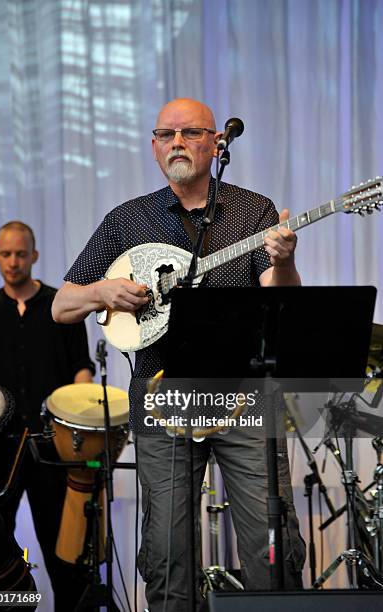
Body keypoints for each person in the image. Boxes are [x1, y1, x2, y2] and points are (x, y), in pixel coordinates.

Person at [52, 98, 306, 611]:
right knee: (166, 552)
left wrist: (283, 261)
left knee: (270, 546)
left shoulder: (251, 210)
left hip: (242, 395)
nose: (177, 143)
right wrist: (104, 292)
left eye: (190, 133)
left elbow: (280, 299)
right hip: (162, 395)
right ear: (153, 147)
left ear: (216, 144)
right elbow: (61, 305)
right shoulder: (128, 220)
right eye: (166, 134)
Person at [0, 221, 95, 611]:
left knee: (64, 551)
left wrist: (81, 419)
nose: (13, 262)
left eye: (21, 254)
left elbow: (82, 369)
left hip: (51, 447)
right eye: (6, 254)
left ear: (35, 256)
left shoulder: (62, 305)